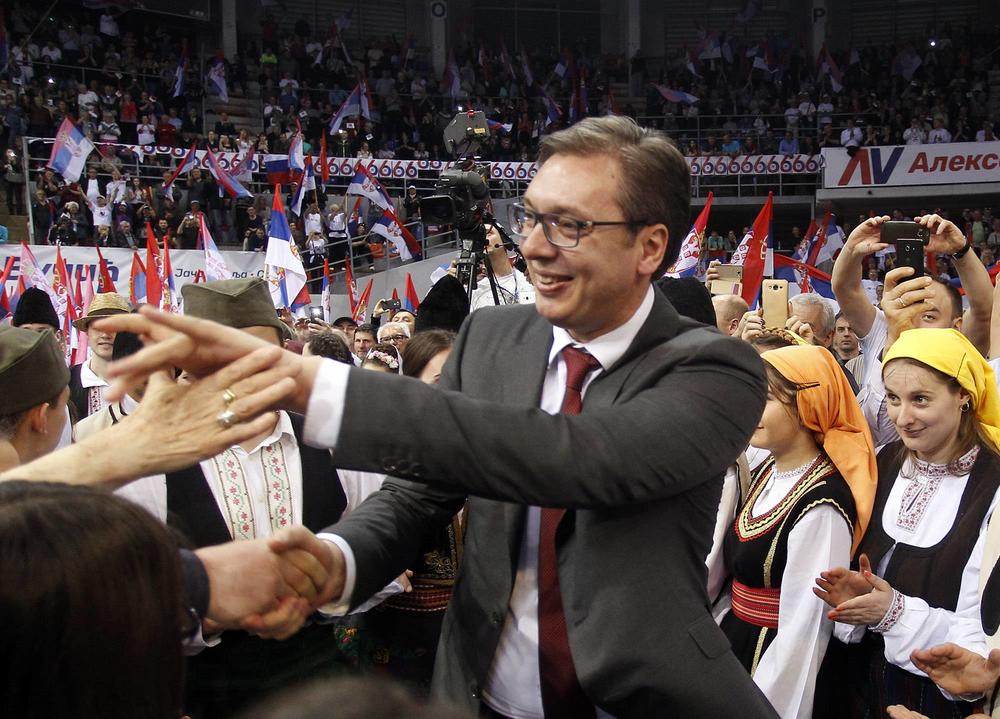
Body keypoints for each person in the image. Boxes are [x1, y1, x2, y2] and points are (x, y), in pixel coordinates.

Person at [96, 116, 777, 718]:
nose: (536, 247)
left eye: (569, 226)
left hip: (642, 702)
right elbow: (419, 493)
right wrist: (335, 560)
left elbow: (579, 457)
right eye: (530, 217)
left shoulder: (715, 369)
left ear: (650, 248)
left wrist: (312, 384)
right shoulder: (491, 339)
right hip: (474, 697)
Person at [166, 278, 352, 719]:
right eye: (222, 360)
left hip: (320, 683)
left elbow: (376, 557)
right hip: (208, 691)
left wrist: (330, 584)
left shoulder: (329, 442)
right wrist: (208, 613)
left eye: (258, 356)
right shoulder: (157, 461)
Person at [814, 328, 1000, 718]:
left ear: (963, 396)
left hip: (935, 701)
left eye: (920, 399)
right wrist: (859, 598)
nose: (903, 417)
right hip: (856, 685)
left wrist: (893, 612)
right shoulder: (882, 460)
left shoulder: (992, 485)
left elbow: (982, 632)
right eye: (894, 398)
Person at [715, 345, 876, 718]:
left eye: (768, 398)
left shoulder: (823, 503)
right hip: (736, 645)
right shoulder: (767, 473)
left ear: (808, 404)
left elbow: (806, 626)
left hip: (773, 665)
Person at [832, 214, 993, 445]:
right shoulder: (884, 330)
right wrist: (852, 249)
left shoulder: (959, 351)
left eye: (929, 316)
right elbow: (845, 288)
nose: (912, 321)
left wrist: (962, 250)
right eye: (906, 306)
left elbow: (984, 310)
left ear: (956, 327)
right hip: (878, 464)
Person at [68, 293, 131, 421]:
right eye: (98, 328)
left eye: (114, 327)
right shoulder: (68, 380)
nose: (105, 335)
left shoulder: (142, 380)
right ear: (87, 332)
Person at [470, 224, 535, 310]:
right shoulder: (475, 291)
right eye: (479, 236)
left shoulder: (530, 278)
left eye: (488, 233)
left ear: (503, 240)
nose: (483, 239)